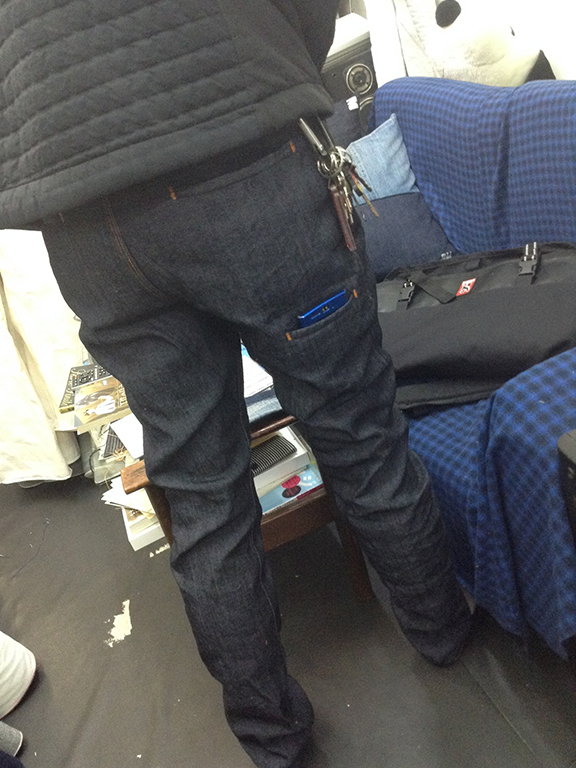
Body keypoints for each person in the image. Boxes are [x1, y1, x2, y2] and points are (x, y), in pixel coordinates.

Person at [0, 2, 473, 766]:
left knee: (201, 498)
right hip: (248, 164)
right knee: (360, 434)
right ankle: (442, 631)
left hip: (87, 226)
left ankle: (273, 739)